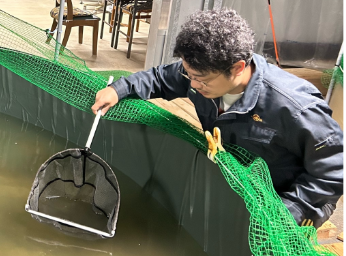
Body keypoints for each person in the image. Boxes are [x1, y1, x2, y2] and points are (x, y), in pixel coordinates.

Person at [91, 8, 344, 228]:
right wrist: (118, 90)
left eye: (201, 79)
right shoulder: (200, 72)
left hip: (288, 200)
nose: (192, 83)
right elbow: (159, 78)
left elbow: (333, 171)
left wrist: (289, 212)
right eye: (189, 74)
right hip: (239, 183)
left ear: (237, 68)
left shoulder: (295, 106)